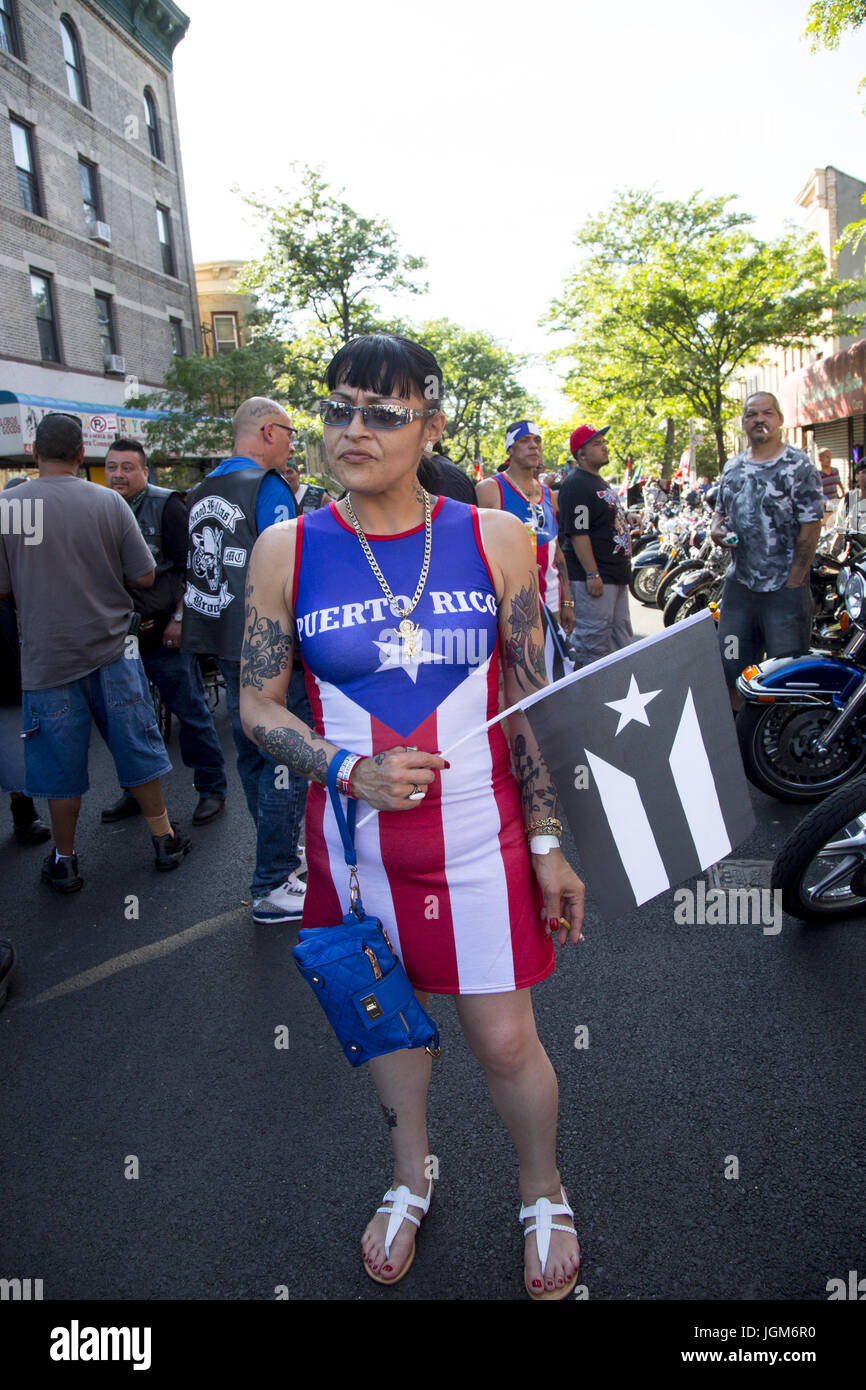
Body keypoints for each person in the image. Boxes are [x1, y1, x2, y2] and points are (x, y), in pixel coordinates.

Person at [238, 333, 586, 1299]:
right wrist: (347, 770)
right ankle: (409, 1177)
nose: (355, 428)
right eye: (340, 407)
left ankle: (541, 1187)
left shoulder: (495, 536)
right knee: (389, 1032)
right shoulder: (286, 548)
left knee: (506, 1039)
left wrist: (550, 843)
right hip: (355, 857)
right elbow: (257, 704)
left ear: (431, 425)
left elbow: (531, 710)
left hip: (484, 841)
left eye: (385, 412)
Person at [0, 413, 189, 892]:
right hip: (113, 651)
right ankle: (164, 838)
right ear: (82, 454)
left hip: (46, 660)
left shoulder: (10, 507)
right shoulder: (108, 501)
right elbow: (144, 576)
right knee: (136, 748)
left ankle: (65, 860)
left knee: (59, 767)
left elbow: (2, 588)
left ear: (34, 452)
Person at [182, 397, 309, 923]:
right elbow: (290, 566)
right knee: (286, 757)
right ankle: (274, 879)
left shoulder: (201, 489)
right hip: (268, 645)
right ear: (265, 431)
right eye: (288, 432)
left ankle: (276, 857)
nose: (292, 443)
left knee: (254, 755)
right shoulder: (266, 486)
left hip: (224, 640)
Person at [101, 439, 228, 827]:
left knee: (190, 712)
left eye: (127, 467)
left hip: (164, 636)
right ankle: (134, 792)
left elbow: (197, 566)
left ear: (143, 471)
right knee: (126, 722)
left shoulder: (167, 505)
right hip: (119, 639)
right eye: (111, 467)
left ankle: (211, 789)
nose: (118, 475)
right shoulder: (101, 506)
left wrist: (179, 618)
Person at [711, 392, 824, 708]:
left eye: (768, 413)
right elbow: (720, 514)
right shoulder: (732, 467)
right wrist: (715, 529)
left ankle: (773, 747)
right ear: (744, 422)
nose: (759, 419)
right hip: (739, 593)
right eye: (751, 414)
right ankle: (737, 743)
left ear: (780, 420)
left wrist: (795, 579)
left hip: (784, 595)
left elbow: (811, 526)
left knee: (785, 678)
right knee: (730, 666)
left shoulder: (798, 466)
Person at [477, 421, 574, 679]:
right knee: (516, 675)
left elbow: (557, 550)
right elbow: (477, 549)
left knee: (551, 671)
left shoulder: (548, 494)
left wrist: (567, 600)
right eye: (524, 440)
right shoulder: (490, 489)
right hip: (512, 600)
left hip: (550, 596)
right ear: (509, 449)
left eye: (537, 440)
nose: (533, 445)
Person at [558, 424, 634, 668]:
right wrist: (592, 573)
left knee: (619, 641)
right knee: (592, 646)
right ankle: (587, 699)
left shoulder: (597, 481)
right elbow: (578, 533)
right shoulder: (577, 484)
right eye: (596, 443)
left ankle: (619, 694)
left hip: (615, 576)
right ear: (581, 454)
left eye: (603, 442)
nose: (604, 447)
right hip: (597, 577)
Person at [817, 447, 844, 527]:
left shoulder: (835, 471)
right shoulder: (817, 475)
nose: (829, 459)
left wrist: (843, 495)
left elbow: (839, 483)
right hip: (825, 509)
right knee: (827, 532)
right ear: (820, 459)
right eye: (827, 457)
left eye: (830, 456)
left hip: (836, 507)